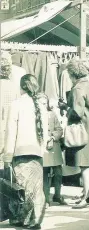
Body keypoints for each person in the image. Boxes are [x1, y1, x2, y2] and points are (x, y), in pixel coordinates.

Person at [2, 74, 48, 229]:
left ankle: (23, 218)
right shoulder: (40, 105)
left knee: (22, 188)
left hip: (20, 152)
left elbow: (11, 132)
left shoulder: (16, 105)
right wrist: (41, 150)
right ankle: (36, 219)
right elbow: (45, 133)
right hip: (36, 152)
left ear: (21, 87)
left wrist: (7, 155)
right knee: (36, 188)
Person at [59, 59, 89, 209]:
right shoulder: (88, 84)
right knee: (88, 163)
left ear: (73, 73)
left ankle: (87, 198)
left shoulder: (77, 88)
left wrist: (65, 108)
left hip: (82, 128)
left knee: (84, 164)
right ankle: (86, 195)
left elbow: (77, 111)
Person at [38, 95, 66, 208]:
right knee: (45, 173)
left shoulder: (52, 114)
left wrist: (53, 137)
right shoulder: (35, 116)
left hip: (54, 146)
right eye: (41, 104)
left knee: (58, 171)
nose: (44, 106)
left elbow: (59, 129)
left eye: (45, 104)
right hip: (43, 147)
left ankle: (57, 195)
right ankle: (45, 198)